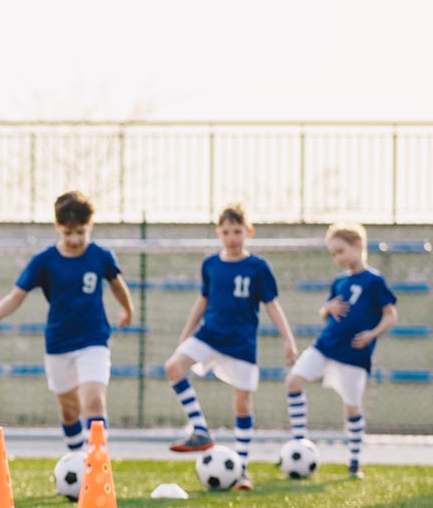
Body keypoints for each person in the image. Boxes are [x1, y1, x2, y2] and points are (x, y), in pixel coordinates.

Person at [0, 191, 133, 455]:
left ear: (90, 226)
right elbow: (17, 296)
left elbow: (118, 286)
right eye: (68, 232)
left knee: (94, 400)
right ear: (58, 227)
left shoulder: (101, 256)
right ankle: (75, 458)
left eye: (81, 232)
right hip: (59, 343)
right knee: (70, 410)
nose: (74, 239)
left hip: (94, 340)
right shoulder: (44, 261)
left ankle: (97, 466)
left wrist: (127, 310)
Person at [163, 204, 297, 490]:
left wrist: (288, 339)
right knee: (173, 366)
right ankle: (200, 430)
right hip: (209, 335)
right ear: (218, 233)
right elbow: (203, 300)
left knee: (242, 403)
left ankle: (242, 471)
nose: (232, 237)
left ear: (248, 232)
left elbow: (271, 305)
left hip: (241, 344)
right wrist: (187, 332)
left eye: (237, 231)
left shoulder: (257, 267)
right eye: (226, 232)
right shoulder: (210, 264)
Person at [285, 223, 397, 479]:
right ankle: (299, 445)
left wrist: (371, 334)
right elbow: (326, 311)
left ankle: (354, 463)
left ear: (357, 246)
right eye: (333, 254)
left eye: (340, 251)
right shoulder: (339, 281)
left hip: (353, 354)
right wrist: (327, 308)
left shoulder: (374, 281)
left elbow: (391, 315)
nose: (337, 258)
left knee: (351, 408)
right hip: (325, 345)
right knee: (293, 381)